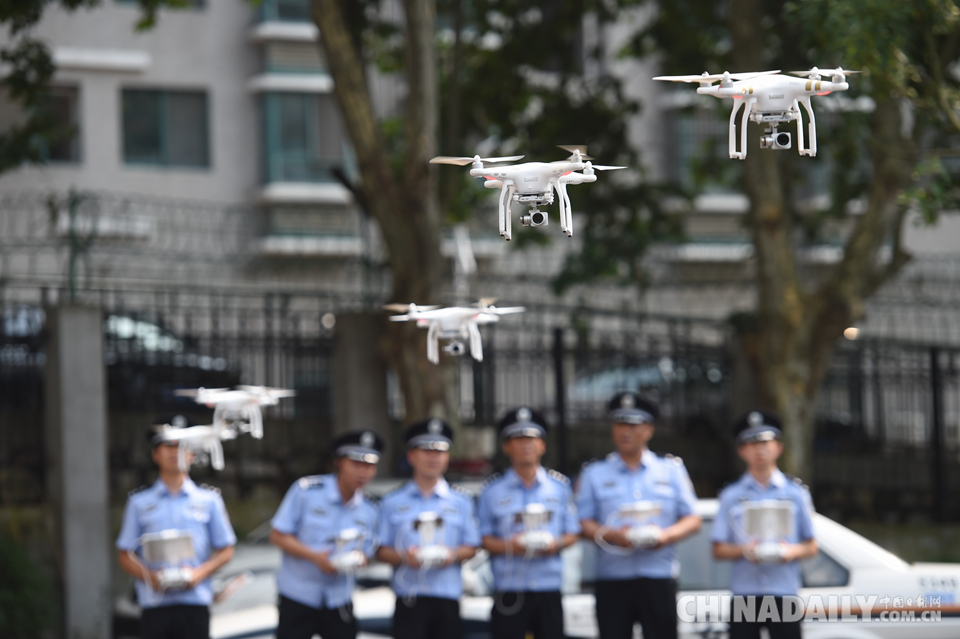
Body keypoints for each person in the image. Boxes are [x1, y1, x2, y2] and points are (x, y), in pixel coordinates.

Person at [577, 392, 702, 639]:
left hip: (658, 577)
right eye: (620, 424)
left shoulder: (671, 470)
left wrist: (665, 536)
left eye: (633, 425)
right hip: (613, 579)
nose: (626, 431)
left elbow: (693, 519)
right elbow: (582, 523)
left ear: (648, 430)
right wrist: (613, 535)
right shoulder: (594, 473)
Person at [116, 418, 237, 639]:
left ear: (192, 454)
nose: (175, 452)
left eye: (182, 446)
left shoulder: (209, 500)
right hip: (155, 604)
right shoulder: (139, 502)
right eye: (168, 446)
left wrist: (198, 575)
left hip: (195, 602)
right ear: (155, 454)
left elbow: (226, 549)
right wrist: (151, 578)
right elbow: (125, 554)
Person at [711, 410, 818, 639]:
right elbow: (718, 549)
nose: (759, 450)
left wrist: (790, 552)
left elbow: (811, 545)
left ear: (778, 447)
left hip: (783, 592)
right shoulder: (731, 495)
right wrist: (744, 551)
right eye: (751, 443)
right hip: (745, 593)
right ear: (742, 451)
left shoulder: (796, 493)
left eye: (765, 442)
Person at [477, 407, 581, 639]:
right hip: (510, 588)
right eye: (518, 439)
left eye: (531, 438)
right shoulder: (492, 491)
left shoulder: (559, 487)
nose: (526, 445)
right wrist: (511, 546)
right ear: (506, 446)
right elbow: (482, 538)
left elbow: (573, 531)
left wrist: (555, 544)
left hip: (548, 587)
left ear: (542, 445)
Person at [269, 430, 383, 639]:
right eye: (356, 464)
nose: (363, 472)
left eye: (369, 466)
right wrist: (315, 557)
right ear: (339, 462)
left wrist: (359, 559)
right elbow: (278, 535)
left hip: (339, 598)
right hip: (298, 595)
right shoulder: (306, 491)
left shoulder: (371, 508)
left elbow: (370, 549)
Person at [376, 418, 481, 639]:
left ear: (447, 457)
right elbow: (380, 550)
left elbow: (473, 546)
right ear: (411, 456)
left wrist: (451, 555)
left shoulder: (461, 501)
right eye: (426, 450)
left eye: (440, 451)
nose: (433, 457)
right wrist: (405, 557)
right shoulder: (392, 502)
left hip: (447, 596)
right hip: (409, 596)